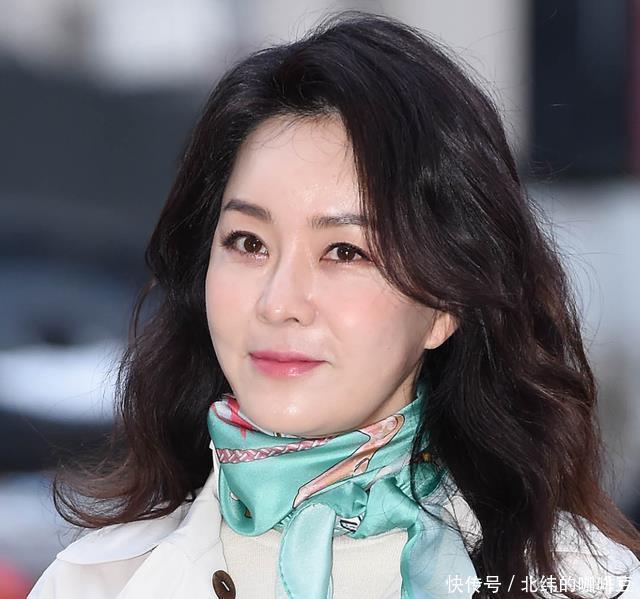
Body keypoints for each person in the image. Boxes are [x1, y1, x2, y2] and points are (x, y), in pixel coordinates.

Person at [28, 10, 640, 599]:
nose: (279, 304)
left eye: (345, 252)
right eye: (248, 242)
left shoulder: (584, 584)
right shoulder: (93, 585)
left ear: (444, 303)